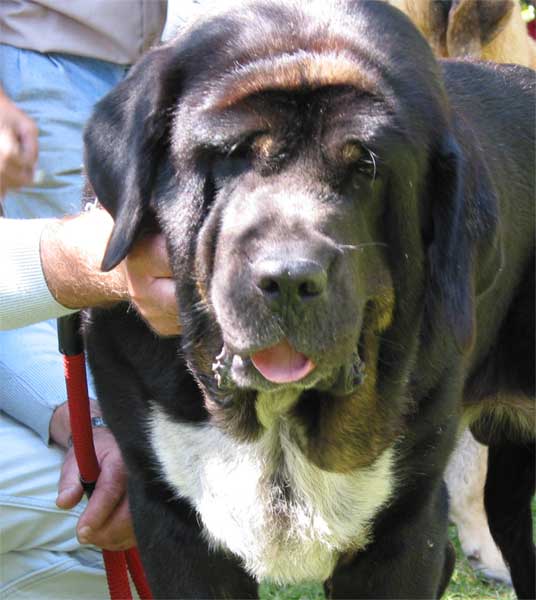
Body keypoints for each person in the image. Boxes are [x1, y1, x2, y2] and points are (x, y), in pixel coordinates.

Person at [0, 2, 177, 598]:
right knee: (160, 507)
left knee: (124, 497)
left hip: (118, 63)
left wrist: (89, 425)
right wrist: (76, 263)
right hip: (47, 61)